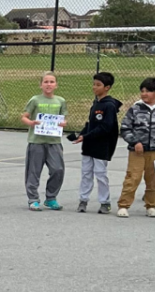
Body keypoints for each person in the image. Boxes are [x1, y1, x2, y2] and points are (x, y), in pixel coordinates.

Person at [115, 77, 155, 218]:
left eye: (148, 91)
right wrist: (134, 142)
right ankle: (123, 205)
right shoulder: (135, 109)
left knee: (153, 180)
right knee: (132, 178)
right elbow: (125, 128)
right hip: (137, 152)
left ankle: (151, 206)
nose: (144, 94)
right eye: (142, 91)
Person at [73, 72, 120, 214]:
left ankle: (105, 202)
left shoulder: (109, 106)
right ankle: (83, 200)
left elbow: (105, 127)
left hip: (102, 146)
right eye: (94, 84)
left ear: (107, 87)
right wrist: (82, 134)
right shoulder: (95, 103)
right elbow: (90, 123)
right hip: (89, 145)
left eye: (98, 85)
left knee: (100, 174)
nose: (94, 87)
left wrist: (86, 136)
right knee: (86, 173)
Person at [22, 73, 67, 211]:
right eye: (46, 82)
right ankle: (33, 199)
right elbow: (24, 116)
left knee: (58, 169)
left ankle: (51, 198)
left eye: (52, 82)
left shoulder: (60, 101)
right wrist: (31, 122)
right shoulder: (35, 100)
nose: (49, 84)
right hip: (37, 141)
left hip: (54, 141)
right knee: (33, 171)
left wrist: (63, 123)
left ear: (56, 85)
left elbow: (63, 118)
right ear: (41, 84)